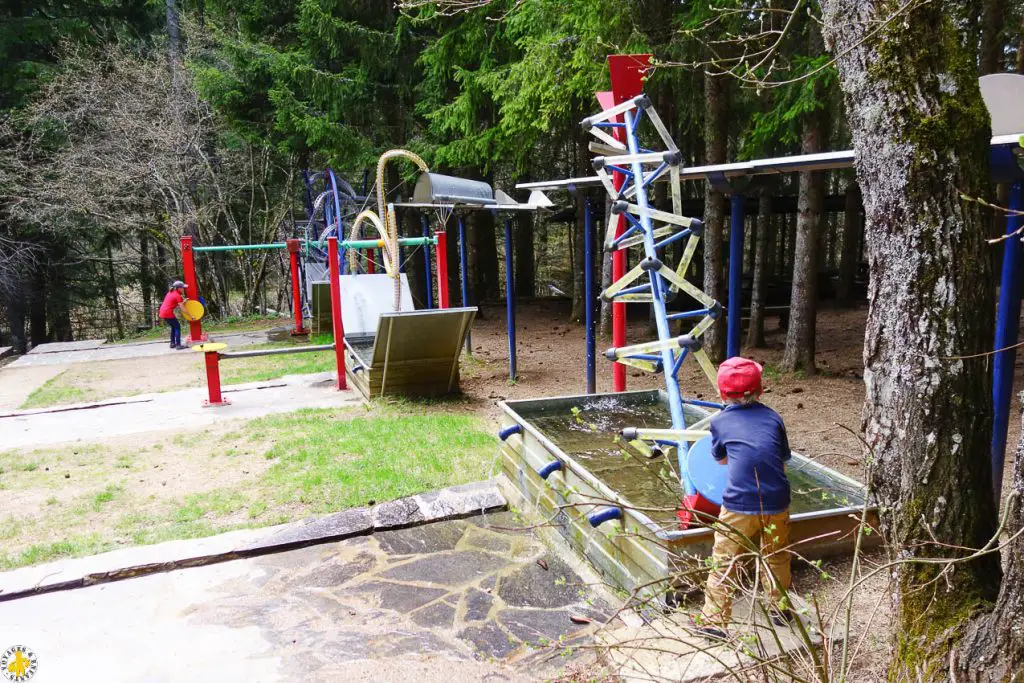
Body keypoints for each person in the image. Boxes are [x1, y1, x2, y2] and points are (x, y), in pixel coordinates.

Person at [696, 356, 793, 639]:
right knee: (776, 555)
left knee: (724, 560)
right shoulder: (774, 418)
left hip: (739, 505)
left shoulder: (720, 422)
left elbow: (722, 460)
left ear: (721, 393)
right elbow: (782, 461)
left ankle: (714, 622)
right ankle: (780, 608)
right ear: (760, 390)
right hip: (777, 501)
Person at [159, 280, 189, 350]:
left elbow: (176, 303)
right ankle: (178, 345)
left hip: (162, 312)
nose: (183, 289)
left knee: (173, 327)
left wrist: (183, 301)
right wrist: (191, 316)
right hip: (168, 312)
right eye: (182, 288)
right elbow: (183, 309)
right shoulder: (178, 295)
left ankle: (172, 344)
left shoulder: (171, 292)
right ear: (179, 288)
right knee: (177, 327)